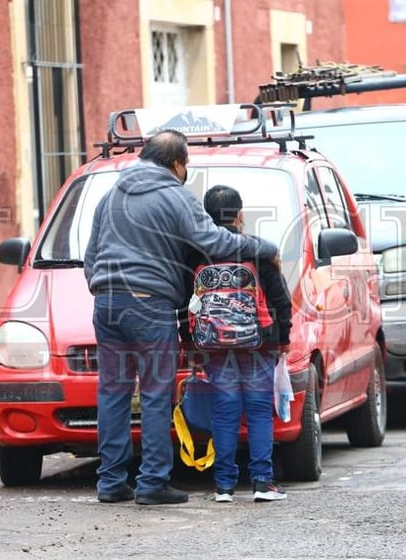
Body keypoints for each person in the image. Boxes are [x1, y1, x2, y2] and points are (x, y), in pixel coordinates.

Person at [84, 130, 279, 506]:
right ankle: (152, 482)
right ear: (177, 163)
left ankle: (110, 483)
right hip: (148, 303)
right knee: (156, 393)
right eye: (186, 164)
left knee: (113, 391)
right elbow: (217, 242)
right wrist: (263, 247)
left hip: (107, 303)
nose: (186, 171)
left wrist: (99, 286)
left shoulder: (110, 195)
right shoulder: (175, 195)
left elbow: (92, 253)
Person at [196, 185, 292, 503]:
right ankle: (262, 482)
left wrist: (190, 340)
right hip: (258, 341)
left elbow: (185, 302)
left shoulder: (196, 252)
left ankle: (224, 486)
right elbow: (278, 298)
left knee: (224, 411)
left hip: (213, 343)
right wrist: (283, 339)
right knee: (259, 410)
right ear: (240, 216)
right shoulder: (257, 252)